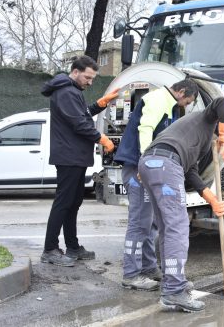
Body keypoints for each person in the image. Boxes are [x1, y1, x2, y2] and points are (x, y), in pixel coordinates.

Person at [138, 96, 224, 312]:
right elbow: (221, 102)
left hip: (149, 163)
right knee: (178, 228)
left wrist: (212, 200)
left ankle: (172, 284)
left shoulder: (194, 135)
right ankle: (174, 290)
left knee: (167, 227)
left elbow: (191, 172)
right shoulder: (205, 117)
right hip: (166, 164)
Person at [113, 80, 199, 290]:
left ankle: (149, 267)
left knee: (149, 221)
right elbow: (146, 128)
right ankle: (131, 274)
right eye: (188, 101)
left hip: (144, 167)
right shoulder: (158, 99)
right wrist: (145, 162)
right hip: (138, 168)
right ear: (181, 92)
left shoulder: (169, 105)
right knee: (139, 222)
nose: (187, 105)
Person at [40, 55, 118, 267]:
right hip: (69, 156)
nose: (90, 82)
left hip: (75, 156)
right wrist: (102, 138)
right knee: (63, 202)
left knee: (73, 203)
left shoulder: (72, 91)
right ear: (75, 72)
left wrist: (100, 104)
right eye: (87, 77)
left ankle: (72, 247)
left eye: (92, 78)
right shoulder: (65, 92)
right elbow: (79, 124)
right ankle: (50, 249)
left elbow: (82, 115)